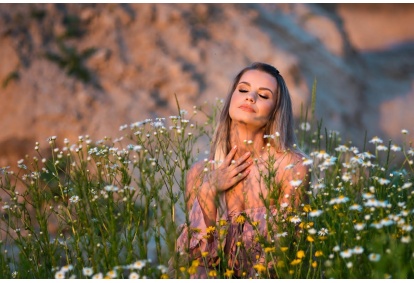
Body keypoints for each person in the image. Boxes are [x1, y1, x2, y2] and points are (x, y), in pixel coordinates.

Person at [171, 62, 310, 278]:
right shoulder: (199, 173)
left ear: (275, 111)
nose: (250, 97)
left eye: (263, 96)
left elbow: (286, 253)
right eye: (243, 90)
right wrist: (209, 191)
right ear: (230, 100)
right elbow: (196, 262)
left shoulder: (291, 167)